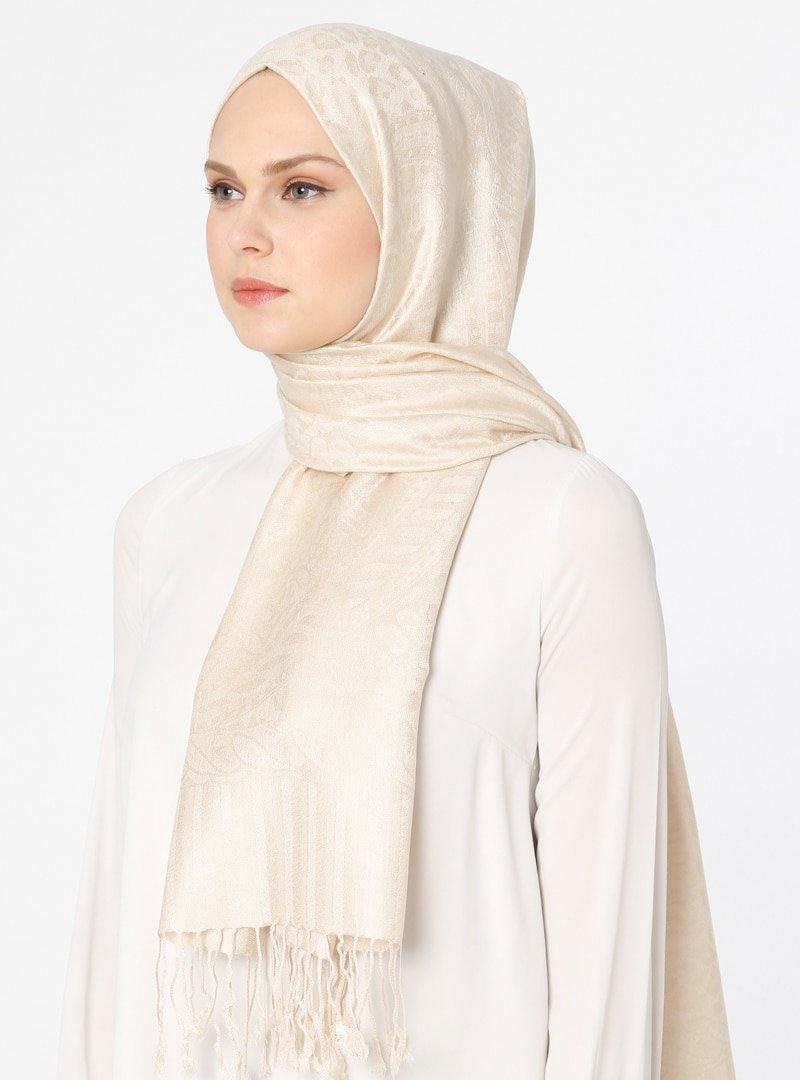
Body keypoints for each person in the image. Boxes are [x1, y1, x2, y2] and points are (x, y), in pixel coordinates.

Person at [56, 22, 734, 1080]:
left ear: (426, 206)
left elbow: (609, 964)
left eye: (301, 189)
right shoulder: (167, 521)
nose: (244, 234)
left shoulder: (560, 518)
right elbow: (114, 928)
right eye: (224, 190)